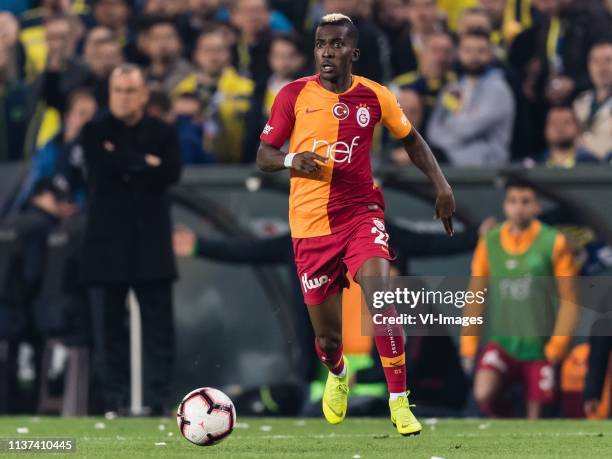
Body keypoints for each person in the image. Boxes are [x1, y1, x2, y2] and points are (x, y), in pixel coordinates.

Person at [256, 13, 455, 435]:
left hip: (361, 213)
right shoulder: (293, 95)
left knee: (381, 297)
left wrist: (441, 186)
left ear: (354, 52)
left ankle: (399, 400)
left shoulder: (375, 96)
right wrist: (293, 159)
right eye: (321, 44)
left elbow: (411, 139)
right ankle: (338, 372)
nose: (328, 51)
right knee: (328, 341)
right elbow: (264, 155)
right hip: (310, 227)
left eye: (337, 44)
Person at [80, 64, 182, 415]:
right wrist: (143, 163)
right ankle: (114, 402)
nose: (122, 98)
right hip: (105, 246)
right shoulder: (93, 131)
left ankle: (160, 401)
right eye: (117, 90)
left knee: (160, 330)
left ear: (143, 94)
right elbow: (101, 165)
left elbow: (170, 172)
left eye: (129, 90)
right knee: (108, 331)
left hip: (150, 246)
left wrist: (122, 161)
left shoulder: (164, 132)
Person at [460, 179, 579, 419]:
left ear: (538, 207)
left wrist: (557, 346)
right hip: (503, 343)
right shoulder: (490, 241)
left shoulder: (553, 242)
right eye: (513, 201)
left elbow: (570, 300)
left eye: (526, 202)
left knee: (536, 418)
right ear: (505, 206)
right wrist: (469, 346)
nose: (519, 208)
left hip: (540, 346)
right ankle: (506, 422)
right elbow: (476, 294)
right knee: (483, 392)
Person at [426, 29, 515, 166]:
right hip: (448, 159)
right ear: (459, 53)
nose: (474, 56)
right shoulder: (453, 88)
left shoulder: (498, 89)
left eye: (481, 51)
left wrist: (447, 130)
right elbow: (433, 129)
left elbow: (470, 128)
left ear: (490, 54)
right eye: (468, 51)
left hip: (487, 166)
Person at [573, 41, 612, 160]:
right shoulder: (579, 102)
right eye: (595, 61)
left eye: (608, 60)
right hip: (581, 172)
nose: (602, 68)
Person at [531, 106, 598, 168]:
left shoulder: (592, 164)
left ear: (577, 128)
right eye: (554, 123)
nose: (560, 128)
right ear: (545, 129)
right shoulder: (533, 165)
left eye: (566, 122)